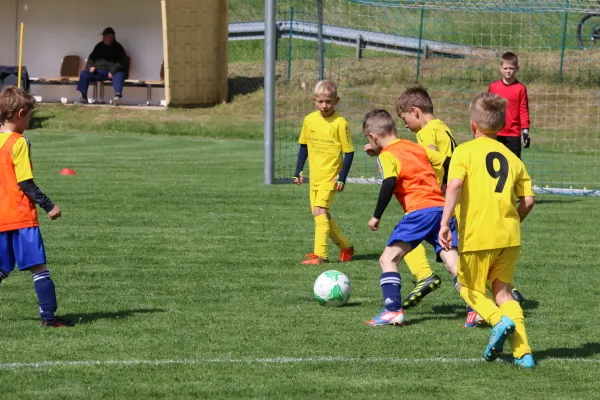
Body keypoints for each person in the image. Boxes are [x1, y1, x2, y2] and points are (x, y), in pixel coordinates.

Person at [439, 93, 535, 368]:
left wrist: (445, 224)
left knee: (469, 289)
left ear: (473, 125)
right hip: (510, 237)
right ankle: (524, 353)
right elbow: (528, 201)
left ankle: (497, 320)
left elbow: (454, 186)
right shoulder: (513, 158)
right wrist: (513, 221)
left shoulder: (465, 151)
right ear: (502, 126)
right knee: (503, 293)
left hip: (479, 235)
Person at [362, 109, 459, 326]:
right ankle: (477, 310)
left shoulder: (386, 156)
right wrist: (445, 186)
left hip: (418, 212)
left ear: (373, 137)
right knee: (453, 263)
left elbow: (388, 182)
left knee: (388, 259)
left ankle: (393, 310)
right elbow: (448, 162)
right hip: (441, 210)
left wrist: (376, 216)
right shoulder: (417, 147)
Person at [0, 86, 71, 327]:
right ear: (21, 113)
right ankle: (49, 319)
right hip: (20, 217)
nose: (29, 121)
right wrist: (48, 205)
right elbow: (25, 182)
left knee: (1, 267)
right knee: (39, 268)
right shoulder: (18, 142)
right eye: (29, 116)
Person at [393, 86, 456, 310]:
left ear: (415, 111)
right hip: (450, 198)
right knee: (456, 253)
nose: (406, 126)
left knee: (406, 233)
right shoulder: (443, 127)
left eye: (405, 119)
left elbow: (430, 158)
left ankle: (424, 275)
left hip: (437, 198)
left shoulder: (426, 132)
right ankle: (502, 287)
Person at [293, 80, 355, 265]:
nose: (324, 105)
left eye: (328, 101)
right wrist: (298, 170)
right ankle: (346, 246)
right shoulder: (309, 120)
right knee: (321, 215)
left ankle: (321, 256)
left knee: (320, 212)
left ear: (337, 101)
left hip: (331, 177)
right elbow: (304, 146)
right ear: (314, 100)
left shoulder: (340, 123)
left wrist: (342, 177)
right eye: (320, 101)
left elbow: (349, 152)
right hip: (315, 178)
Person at [488, 52, 530, 159]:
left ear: (517, 69)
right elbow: (488, 109)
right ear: (500, 68)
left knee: (514, 166)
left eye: (511, 68)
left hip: (513, 134)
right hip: (496, 132)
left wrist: (525, 130)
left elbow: (523, 110)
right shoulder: (493, 87)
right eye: (505, 68)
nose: (508, 71)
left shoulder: (521, 88)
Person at [76, 27, 127, 106]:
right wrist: (91, 66)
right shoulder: (99, 46)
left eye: (106, 35)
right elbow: (91, 58)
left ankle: (117, 97)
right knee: (84, 73)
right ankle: (83, 98)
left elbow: (122, 62)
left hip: (112, 72)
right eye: (103, 35)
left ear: (112, 36)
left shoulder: (118, 47)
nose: (104, 37)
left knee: (119, 75)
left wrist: (113, 71)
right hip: (98, 71)